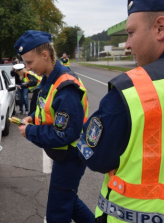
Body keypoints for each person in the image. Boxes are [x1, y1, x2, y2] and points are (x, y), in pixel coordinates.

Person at [76, 1, 164, 222]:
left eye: (131, 33)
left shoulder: (135, 89)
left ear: (160, 28)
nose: (126, 44)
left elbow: (95, 156)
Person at [14, 30, 93, 223]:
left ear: (45, 55)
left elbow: (64, 134)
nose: (27, 67)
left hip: (70, 157)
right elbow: (46, 109)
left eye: (30, 62)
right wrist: (33, 118)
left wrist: (30, 131)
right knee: (68, 201)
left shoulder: (66, 88)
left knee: (57, 213)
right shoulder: (49, 79)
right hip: (64, 156)